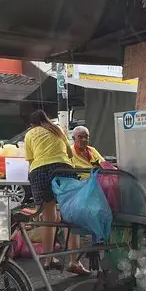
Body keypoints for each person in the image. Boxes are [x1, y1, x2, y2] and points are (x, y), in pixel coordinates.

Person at [25, 110, 90, 276]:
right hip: (62, 169)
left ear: (32, 124)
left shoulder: (30, 134)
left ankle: (48, 259)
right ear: (45, 119)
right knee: (70, 214)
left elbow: (32, 161)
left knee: (49, 217)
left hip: (39, 171)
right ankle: (74, 262)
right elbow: (69, 154)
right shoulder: (57, 129)